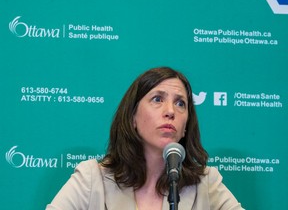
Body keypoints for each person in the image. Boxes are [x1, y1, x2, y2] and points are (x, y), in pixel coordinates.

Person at [46, 67, 244, 210]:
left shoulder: (206, 183)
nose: (170, 111)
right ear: (133, 117)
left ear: (185, 127)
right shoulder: (91, 180)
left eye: (180, 103)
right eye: (157, 99)